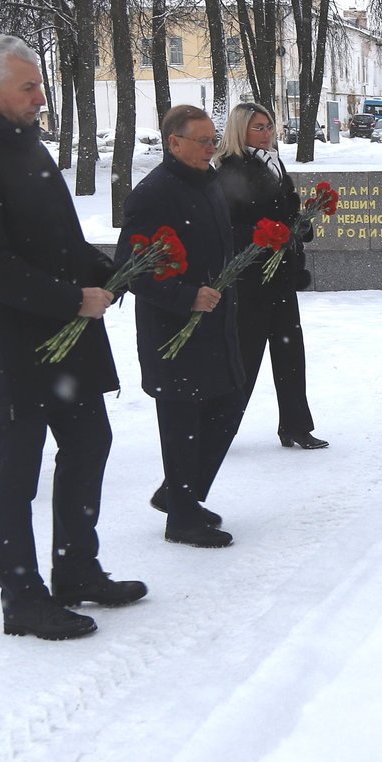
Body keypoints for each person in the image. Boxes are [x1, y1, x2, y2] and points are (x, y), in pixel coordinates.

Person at [0, 34, 144, 641]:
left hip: (64, 341)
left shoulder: (27, 149)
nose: (42, 98)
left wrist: (114, 271)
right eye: (30, 87)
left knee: (88, 444)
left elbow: (60, 243)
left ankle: (76, 571)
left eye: (41, 86)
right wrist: (73, 298)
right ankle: (22, 598)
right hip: (7, 345)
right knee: (15, 472)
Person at [122, 105, 248, 549]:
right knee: (183, 421)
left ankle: (181, 495)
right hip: (174, 331)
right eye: (203, 141)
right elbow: (132, 269)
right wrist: (185, 295)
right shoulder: (153, 194)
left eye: (214, 140)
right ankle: (182, 517)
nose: (212, 148)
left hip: (217, 323)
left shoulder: (208, 181)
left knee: (228, 406)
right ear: (173, 143)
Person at [215, 103, 327, 450]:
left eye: (269, 126)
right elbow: (228, 226)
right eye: (258, 128)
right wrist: (264, 235)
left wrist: (300, 224)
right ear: (240, 131)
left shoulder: (275, 163)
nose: (267, 133)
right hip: (250, 279)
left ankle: (295, 426)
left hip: (281, 274)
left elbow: (287, 209)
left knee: (290, 353)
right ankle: (218, 430)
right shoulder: (230, 169)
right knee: (245, 358)